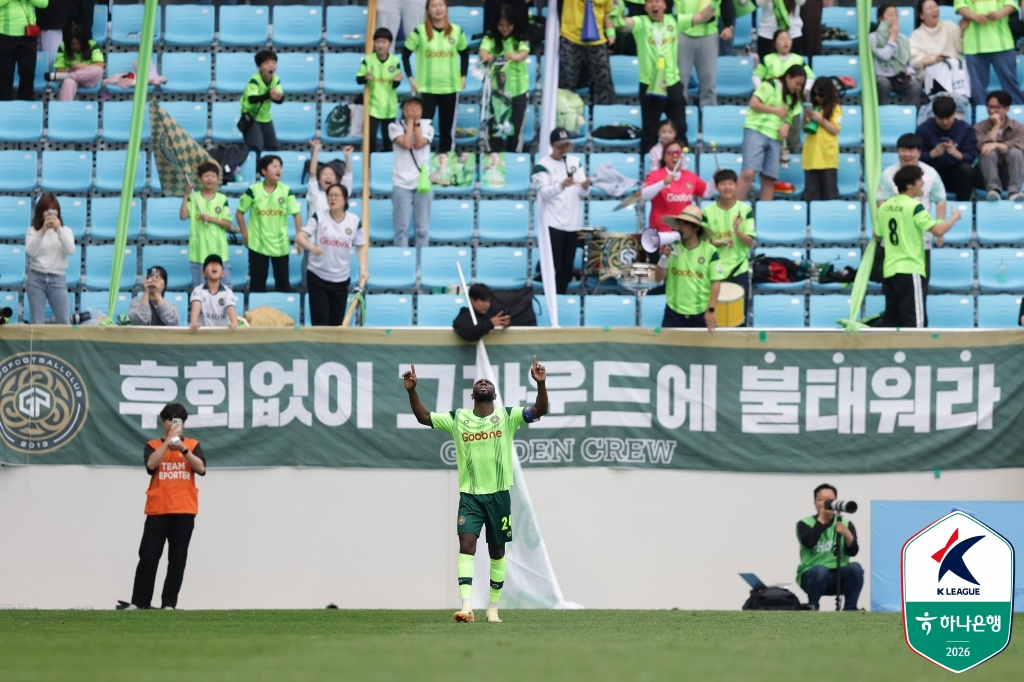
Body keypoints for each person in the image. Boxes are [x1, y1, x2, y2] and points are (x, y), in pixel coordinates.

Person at [402, 357, 549, 623]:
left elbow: (540, 409)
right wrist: (412, 391)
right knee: (466, 545)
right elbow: (424, 417)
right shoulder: (458, 418)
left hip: (499, 495)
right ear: (472, 395)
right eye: (479, 382)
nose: (483, 383)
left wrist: (540, 384)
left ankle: (492, 608)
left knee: (497, 552)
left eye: (487, 382)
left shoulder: (507, 416)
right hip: (470, 497)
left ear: (494, 395)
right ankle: (467, 606)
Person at [117, 403, 206, 610]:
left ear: (184, 424)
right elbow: (151, 465)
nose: (174, 424)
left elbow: (201, 468)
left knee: (177, 560)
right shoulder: (153, 445)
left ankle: (169, 604)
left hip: (184, 510)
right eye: (170, 420)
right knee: (148, 556)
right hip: (158, 510)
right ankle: (140, 602)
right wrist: (167, 443)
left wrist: (182, 448)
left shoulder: (192, 445)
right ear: (163, 422)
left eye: (178, 421)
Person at [875, 165, 960, 327]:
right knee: (915, 324)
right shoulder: (915, 207)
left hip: (890, 270)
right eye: (919, 180)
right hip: (910, 269)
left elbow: (877, 235)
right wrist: (954, 217)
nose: (922, 183)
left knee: (892, 322)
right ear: (909, 185)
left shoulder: (884, 206)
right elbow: (938, 230)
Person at [611, 0, 688, 156]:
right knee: (650, 131)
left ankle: (682, 165)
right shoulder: (640, 23)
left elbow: (702, 17)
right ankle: (647, 166)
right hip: (649, 84)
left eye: (658, 1)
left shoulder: (674, 20)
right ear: (645, 7)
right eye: (650, 2)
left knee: (679, 127)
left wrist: (715, 3)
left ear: (665, 5)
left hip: (672, 83)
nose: (654, 5)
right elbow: (621, 23)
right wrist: (618, 7)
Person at [296, 184, 369, 326]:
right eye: (330, 195)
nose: (333, 198)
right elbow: (300, 237)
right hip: (317, 276)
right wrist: (311, 247)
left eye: (337, 195)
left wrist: (363, 269)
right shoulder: (319, 216)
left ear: (345, 199)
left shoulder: (354, 221)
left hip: (341, 279)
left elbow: (361, 246)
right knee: (320, 321)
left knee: (336, 322)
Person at [876, 133, 948, 280]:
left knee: (920, 284)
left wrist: (939, 226)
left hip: (920, 239)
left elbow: (940, 200)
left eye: (911, 150)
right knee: (891, 284)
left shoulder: (930, 174)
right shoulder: (888, 174)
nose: (906, 154)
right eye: (903, 150)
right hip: (894, 242)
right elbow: (881, 201)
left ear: (919, 152)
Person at [402, 0, 469, 153]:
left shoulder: (457, 31)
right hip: (426, 88)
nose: (438, 9)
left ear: (445, 7)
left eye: (440, 5)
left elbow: (465, 54)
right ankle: (422, 161)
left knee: (447, 131)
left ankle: (446, 161)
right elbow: (405, 55)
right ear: (428, 10)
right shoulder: (419, 31)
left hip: (449, 87)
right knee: (423, 129)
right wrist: (410, 78)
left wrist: (463, 76)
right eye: (433, 6)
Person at [532, 127, 590, 294]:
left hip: (573, 222)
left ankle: (561, 297)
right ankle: (552, 298)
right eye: (560, 146)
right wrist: (561, 186)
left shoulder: (575, 161)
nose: (564, 149)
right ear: (551, 145)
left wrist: (585, 187)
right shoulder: (542, 165)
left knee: (567, 268)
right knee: (554, 267)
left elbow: (582, 192)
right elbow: (544, 193)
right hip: (553, 223)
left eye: (567, 145)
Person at [736, 64, 806, 202]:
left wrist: (786, 126)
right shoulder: (770, 85)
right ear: (788, 77)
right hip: (756, 130)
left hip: (775, 137)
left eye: (801, 85)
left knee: (769, 178)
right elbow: (754, 103)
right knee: (748, 172)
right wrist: (775, 110)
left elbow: (789, 116)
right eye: (796, 83)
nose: (798, 87)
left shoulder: (793, 98)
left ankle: (765, 212)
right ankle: (732, 209)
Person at [236, 155, 301, 293]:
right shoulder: (253, 191)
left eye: (280, 167)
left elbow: (296, 214)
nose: (279, 170)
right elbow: (239, 213)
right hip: (257, 244)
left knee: (283, 285)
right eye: (274, 166)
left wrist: (299, 238)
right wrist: (245, 234)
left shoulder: (286, 191)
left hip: (280, 245)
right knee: (257, 286)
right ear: (264, 171)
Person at [654, 204, 725, 330]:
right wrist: (663, 258)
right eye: (679, 223)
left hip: (700, 314)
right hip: (673, 312)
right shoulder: (671, 247)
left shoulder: (710, 251)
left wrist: (710, 310)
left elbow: (716, 283)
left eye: (685, 224)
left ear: (696, 227)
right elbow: (658, 278)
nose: (680, 227)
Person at [796, 483, 863, 611]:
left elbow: (853, 551)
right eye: (821, 499)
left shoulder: (845, 523)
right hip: (813, 576)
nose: (826, 503)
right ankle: (813, 607)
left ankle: (850, 609)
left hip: (838, 575)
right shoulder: (804, 523)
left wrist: (847, 534)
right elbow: (809, 543)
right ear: (815, 503)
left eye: (830, 499)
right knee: (820, 570)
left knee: (856, 568)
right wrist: (821, 520)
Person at [752, 29, 814, 164]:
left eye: (788, 39)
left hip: (793, 108)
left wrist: (806, 89)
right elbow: (756, 76)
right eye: (781, 39)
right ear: (774, 43)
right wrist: (762, 92)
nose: (785, 42)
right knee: (773, 139)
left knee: (793, 140)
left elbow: (810, 76)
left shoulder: (798, 59)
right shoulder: (768, 59)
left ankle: (795, 166)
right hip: (773, 107)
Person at [704, 169, 755, 319]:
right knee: (715, 318)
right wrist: (720, 242)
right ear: (716, 187)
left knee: (738, 318)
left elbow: (749, 242)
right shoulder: (707, 212)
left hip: (738, 269)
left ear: (736, 186)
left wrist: (737, 230)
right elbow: (704, 243)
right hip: (715, 271)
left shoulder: (745, 210)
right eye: (722, 184)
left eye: (730, 183)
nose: (727, 187)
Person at [478, 3, 530, 152]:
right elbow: (483, 50)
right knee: (495, 132)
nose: (505, 29)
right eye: (501, 25)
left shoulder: (520, 36)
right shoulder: (490, 36)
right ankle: (494, 160)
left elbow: (524, 52)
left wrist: (516, 56)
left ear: (514, 23)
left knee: (515, 131)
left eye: (508, 25)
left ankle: (514, 157)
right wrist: (486, 56)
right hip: (497, 94)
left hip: (518, 91)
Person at [640, 140, 712, 246]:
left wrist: (715, 179)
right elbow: (645, 195)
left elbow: (707, 193)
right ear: (664, 157)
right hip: (660, 234)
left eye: (678, 152)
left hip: (684, 233)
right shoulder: (655, 175)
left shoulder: (690, 176)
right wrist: (662, 183)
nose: (675, 155)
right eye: (670, 152)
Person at [956, 0, 1024, 107]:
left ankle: (1018, 111)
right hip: (974, 46)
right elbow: (959, 6)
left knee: (1010, 82)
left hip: (1002, 44)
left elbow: (1011, 4)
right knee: (977, 86)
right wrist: (975, 17)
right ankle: (981, 113)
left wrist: (998, 14)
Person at [390, 93, 435, 249]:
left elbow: (421, 143)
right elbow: (407, 144)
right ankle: (402, 260)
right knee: (401, 229)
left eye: (417, 106)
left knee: (422, 229)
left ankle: (421, 261)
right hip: (401, 183)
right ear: (403, 109)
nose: (413, 109)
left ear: (422, 109)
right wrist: (410, 123)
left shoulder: (428, 126)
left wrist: (415, 125)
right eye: (409, 105)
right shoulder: (394, 127)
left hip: (422, 183)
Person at [182, 161, 233, 291]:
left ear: (217, 179)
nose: (210, 179)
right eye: (206, 176)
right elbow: (183, 216)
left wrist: (210, 219)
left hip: (219, 252)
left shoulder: (222, 198)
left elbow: (227, 224)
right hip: (199, 253)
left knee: (225, 289)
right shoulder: (193, 197)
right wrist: (186, 194)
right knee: (199, 290)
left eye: (213, 176)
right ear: (199, 179)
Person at [25, 194, 74, 325]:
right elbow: (30, 251)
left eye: (53, 210)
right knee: (37, 321)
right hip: (36, 278)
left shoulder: (66, 231)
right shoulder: (32, 231)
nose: (49, 214)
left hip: (57, 279)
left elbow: (70, 250)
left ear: (58, 213)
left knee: (64, 320)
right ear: (40, 212)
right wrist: (42, 231)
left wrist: (59, 229)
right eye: (46, 210)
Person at [917, 94, 977, 201]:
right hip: (933, 174)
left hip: (955, 176)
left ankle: (963, 204)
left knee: (966, 170)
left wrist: (956, 154)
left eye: (948, 118)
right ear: (934, 115)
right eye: (940, 118)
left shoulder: (966, 129)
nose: (945, 122)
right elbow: (916, 156)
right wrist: (932, 154)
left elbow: (971, 156)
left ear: (954, 113)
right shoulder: (924, 129)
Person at [558, 0, 616, 105]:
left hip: (598, 40)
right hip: (570, 37)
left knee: (604, 82)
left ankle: (605, 114)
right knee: (567, 82)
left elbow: (607, 11)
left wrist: (611, 33)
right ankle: (566, 112)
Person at [910, 0, 968, 100]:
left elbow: (961, 48)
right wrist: (934, 60)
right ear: (922, 16)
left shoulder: (949, 26)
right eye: (929, 8)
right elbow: (915, 61)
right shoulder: (916, 35)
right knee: (944, 69)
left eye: (935, 6)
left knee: (961, 65)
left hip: (955, 71)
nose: (934, 10)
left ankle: (962, 100)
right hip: (931, 75)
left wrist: (962, 31)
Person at [356, 27, 403, 153]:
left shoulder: (395, 61)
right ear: (374, 43)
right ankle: (370, 162)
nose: (381, 45)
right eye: (378, 42)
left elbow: (395, 85)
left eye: (384, 42)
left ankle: (386, 162)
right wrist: (366, 77)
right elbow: (358, 79)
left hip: (389, 108)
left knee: (388, 139)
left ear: (390, 44)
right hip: (372, 107)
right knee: (370, 138)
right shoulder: (368, 60)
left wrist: (396, 81)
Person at [974, 90, 1024, 201]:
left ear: (1006, 109)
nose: (992, 111)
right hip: (985, 174)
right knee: (988, 152)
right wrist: (996, 126)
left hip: (1010, 173)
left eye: (996, 107)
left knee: (1016, 152)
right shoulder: (979, 127)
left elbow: (1021, 144)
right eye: (989, 107)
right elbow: (982, 146)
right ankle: (993, 190)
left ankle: (1015, 192)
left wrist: (997, 145)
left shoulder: (1018, 127)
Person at [871, 4, 922, 107]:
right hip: (881, 76)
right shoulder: (873, 37)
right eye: (890, 15)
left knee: (915, 86)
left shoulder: (902, 38)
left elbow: (906, 60)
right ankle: (881, 111)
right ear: (881, 18)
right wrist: (892, 37)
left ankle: (907, 112)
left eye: (896, 15)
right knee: (883, 84)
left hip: (898, 76)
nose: (894, 18)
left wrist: (909, 71)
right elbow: (884, 56)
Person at [801, 76, 842, 201]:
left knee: (829, 195)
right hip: (811, 158)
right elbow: (804, 128)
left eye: (821, 95)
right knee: (811, 195)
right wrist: (806, 117)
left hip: (827, 159)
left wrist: (821, 119)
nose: (817, 98)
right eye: (815, 95)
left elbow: (835, 130)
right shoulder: (813, 108)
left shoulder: (835, 108)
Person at [677, 0, 722, 107]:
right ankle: (678, 112)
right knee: (680, 81)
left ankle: (708, 114)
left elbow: (726, 4)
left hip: (709, 34)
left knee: (708, 81)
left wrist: (729, 26)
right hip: (682, 32)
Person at [240, 50, 284, 158]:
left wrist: (279, 97)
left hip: (265, 117)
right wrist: (268, 95)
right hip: (251, 117)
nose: (271, 66)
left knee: (273, 147)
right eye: (267, 63)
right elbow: (252, 99)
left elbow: (279, 99)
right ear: (259, 66)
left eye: (274, 62)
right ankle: (254, 168)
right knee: (256, 147)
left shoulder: (276, 79)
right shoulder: (254, 80)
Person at [0, 0, 45, 101]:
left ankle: (25, 107)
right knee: (5, 76)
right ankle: (4, 108)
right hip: (4, 34)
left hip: (28, 35)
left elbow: (44, 3)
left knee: (28, 74)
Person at [47, 24, 103, 101]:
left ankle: (71, 75)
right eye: (72, 44)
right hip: (70, 77)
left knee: (98, 70)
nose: (76, 46)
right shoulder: (63, 46)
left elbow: (100, 65)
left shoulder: (92, 44)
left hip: (87, 78)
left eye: (78, 43)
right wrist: (71, 69)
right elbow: (59, 70)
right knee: (68, 82)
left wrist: (83, 66)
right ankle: (63, 108)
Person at [188, 254, 238, 331]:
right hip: (203, 334)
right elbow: (196, 306)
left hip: (222, 334)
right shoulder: (198, 290)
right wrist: (194, 321)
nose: (214, 265)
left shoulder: (227, 291)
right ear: (204, 273)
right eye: (210, 263)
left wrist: (234, 322)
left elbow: (230, 307)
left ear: (222, 273)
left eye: (217, 263)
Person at [307, 139, 354, 217]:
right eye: (324, 174)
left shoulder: (340, 195)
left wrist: (347, 157)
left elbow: (348, 176)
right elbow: (312, 173)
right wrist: (316, 150)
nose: (328, 176)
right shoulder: (314, 195)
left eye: (331, 174)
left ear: (336, 180)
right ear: (318, 180)